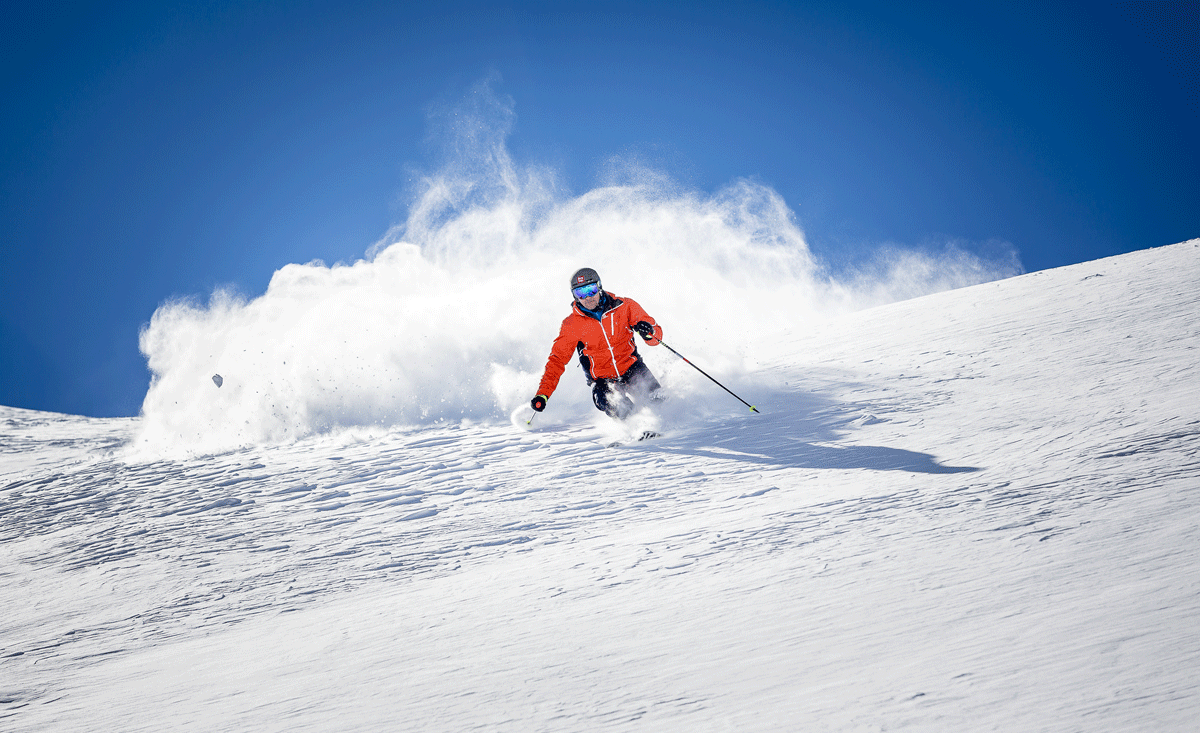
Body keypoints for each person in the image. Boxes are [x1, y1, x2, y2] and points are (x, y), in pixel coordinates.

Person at [531, 268, 665, 420]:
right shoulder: (572, 325)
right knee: (613, 402)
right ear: (574, 295)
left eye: (591, 290)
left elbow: (656, 338)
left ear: (599, 286)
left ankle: (668, 427)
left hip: (632, 368)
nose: (587, 297)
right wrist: (543, 393)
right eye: (580, 293)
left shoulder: (624, 306)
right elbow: (557, 360)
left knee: (659, 403)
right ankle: (637, 428)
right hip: (603, 380)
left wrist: (649, 332)